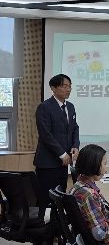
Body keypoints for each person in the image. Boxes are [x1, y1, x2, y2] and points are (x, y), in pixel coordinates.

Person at [34, 74, 79, 212]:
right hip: (48, 163)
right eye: (64, 86)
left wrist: (75, 146)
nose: (68, 89)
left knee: (60, 198)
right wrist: (61, 153)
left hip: (63, 163)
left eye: (70, 86)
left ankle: (58, 224)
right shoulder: (44, 107)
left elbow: (74, 128)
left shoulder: (70, 107)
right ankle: (43, 224)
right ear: (53, 88)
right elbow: (45, 134)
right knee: (46, 199)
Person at [70, 144, 109, 245]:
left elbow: (99, 212)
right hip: (107, 243)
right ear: (94, 165)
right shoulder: (88, 195)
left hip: (84, 239)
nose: (106, 169)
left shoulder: (78, 185)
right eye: (105, 164)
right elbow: (99, 233)